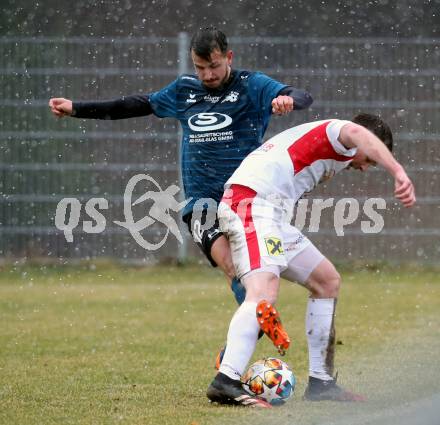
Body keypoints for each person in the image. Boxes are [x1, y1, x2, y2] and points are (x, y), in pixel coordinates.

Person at [48, 27, 313, 306]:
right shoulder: (184, 89)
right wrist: (78, 108)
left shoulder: (251, 85)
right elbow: (138, 104)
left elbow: (302, 95)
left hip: (243, 200)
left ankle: (244, 337)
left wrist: (288, 99)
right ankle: (255, 322)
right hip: (201, 205)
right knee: (236, 270)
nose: (208, 75)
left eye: (214, 66)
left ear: (229, 57)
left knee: (256, 278)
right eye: (200, 68)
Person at [206, 113, 416, 407]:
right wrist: (398, 172)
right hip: (251, 202)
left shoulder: (335, 145)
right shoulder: (339, 132)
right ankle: (226, 380)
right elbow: (356, 131)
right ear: (368, 142)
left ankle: (321, 383)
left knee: (327, 281)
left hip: (271, 215)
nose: (367, 169)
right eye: (372, 160)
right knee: (263, 290)